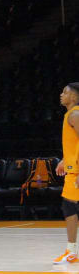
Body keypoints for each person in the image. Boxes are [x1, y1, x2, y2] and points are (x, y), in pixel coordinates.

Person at [53, 83, 79, 264]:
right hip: (73, 170)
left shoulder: (75, 114)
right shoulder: (70, 115)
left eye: (65, 92)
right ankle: (71, 251)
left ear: (75, 97)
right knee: (69, 208)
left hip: (76, 172)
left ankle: (72, 251)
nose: (61, 94)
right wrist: (65, 159)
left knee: (70, 208)